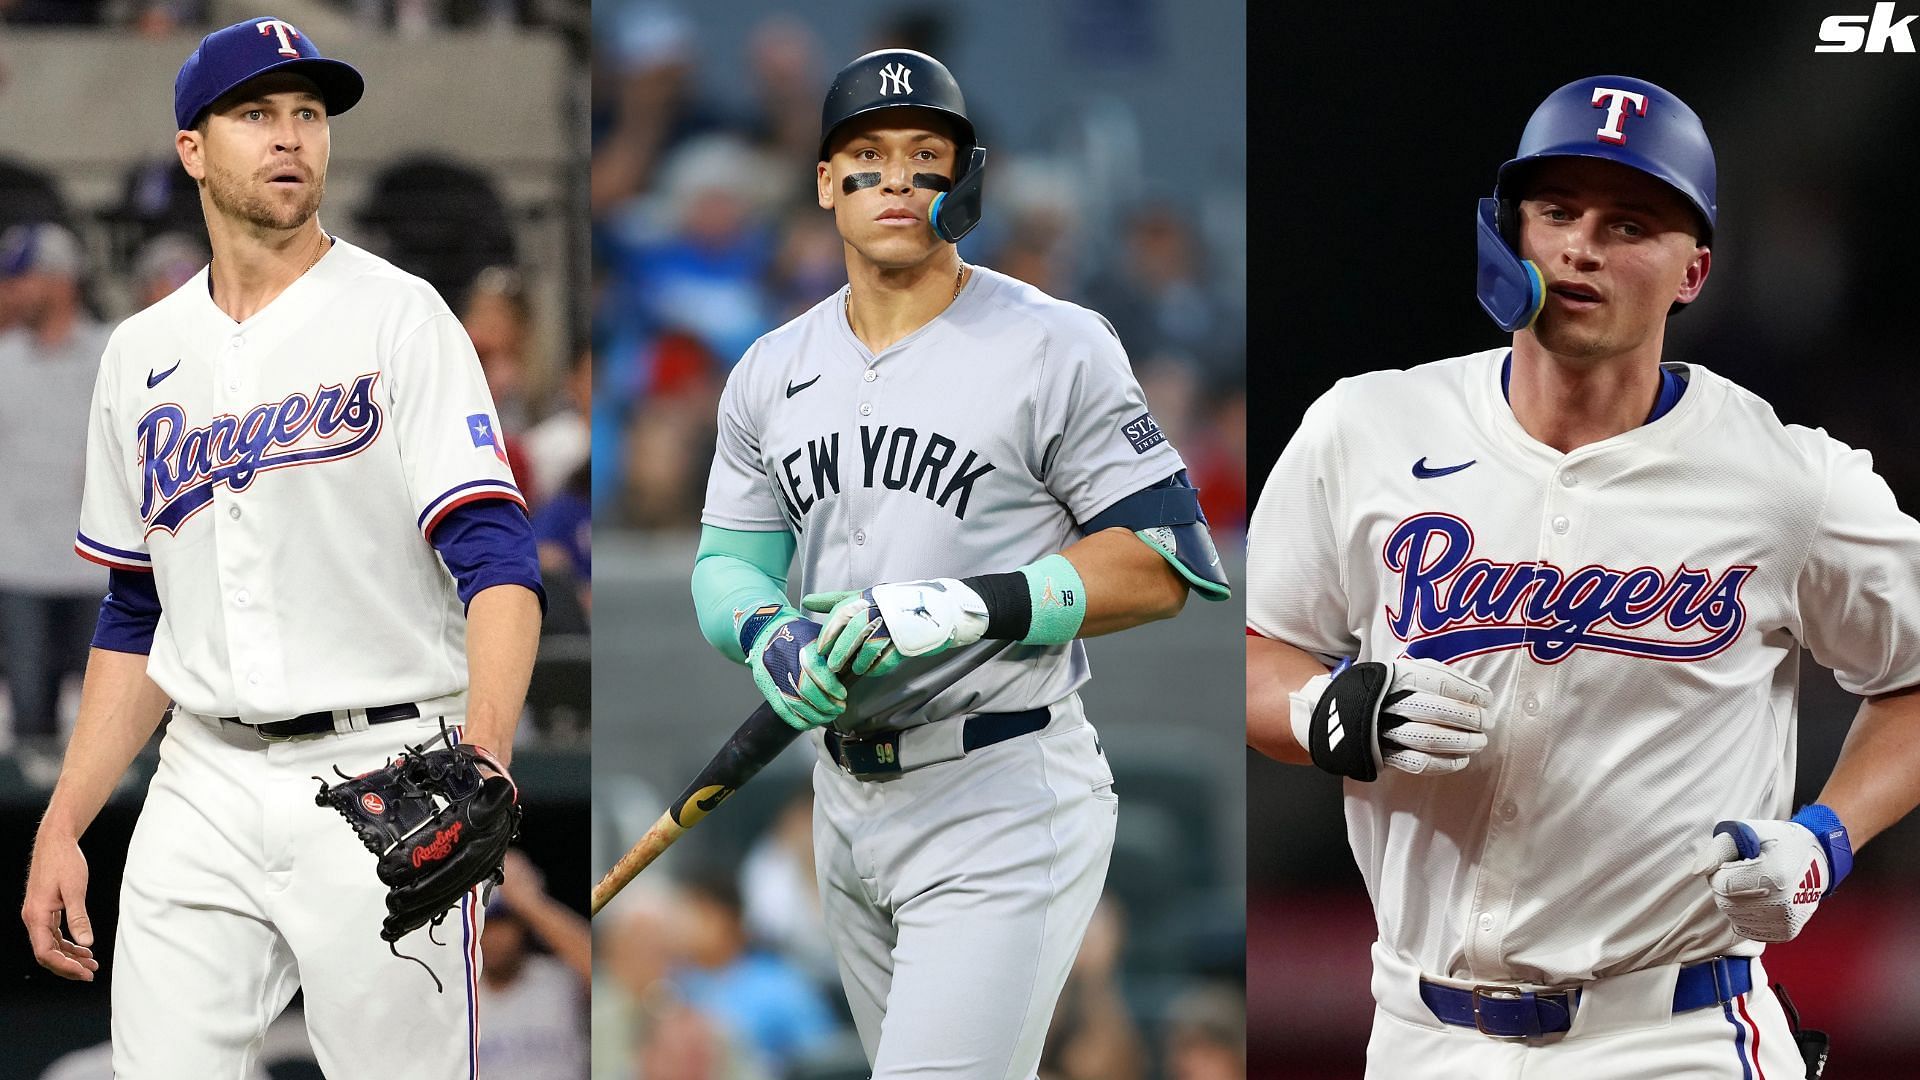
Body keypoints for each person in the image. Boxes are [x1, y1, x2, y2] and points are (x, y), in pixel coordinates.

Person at [1246, 75, 1920, 1078]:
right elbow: (1259, 653)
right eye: (1556, 210)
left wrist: (1825, 838)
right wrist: (1322, 711)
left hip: (1675, 1032)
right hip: (1422, 1033)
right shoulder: (1366, 430)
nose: (1581, 246)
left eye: (1629, 222)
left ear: (1694, 271)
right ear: (1507, 232)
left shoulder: (1786, 479)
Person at [18, 17, 544, 1077]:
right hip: (201, 777)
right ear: (192, 150)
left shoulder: (402, 317)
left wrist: (481, 754)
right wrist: (64, 819)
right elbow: (137, 610)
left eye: (307, 113)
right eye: (256, 113)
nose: (291, 135)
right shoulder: (141, 354)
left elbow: (499, 563)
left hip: (390, 764)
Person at [692, 48, 1231, 1077]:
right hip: (843, 801)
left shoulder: (1054, 342)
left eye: (923, 154)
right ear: (822, 183)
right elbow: (726, 567)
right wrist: (770, 631)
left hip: (999, 783)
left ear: (963, 180)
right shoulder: (770, 369)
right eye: (867, 155)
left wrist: (970, 605)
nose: (894, 178)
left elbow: (1167, 563)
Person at [0, 223, 109, 741]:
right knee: (29, 728)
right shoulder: (4, 361)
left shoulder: (115, 351)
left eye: (23, 278)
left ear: (60, 280)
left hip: (97, 572)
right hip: (20, 570)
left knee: (109, 730)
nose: (12, 289)